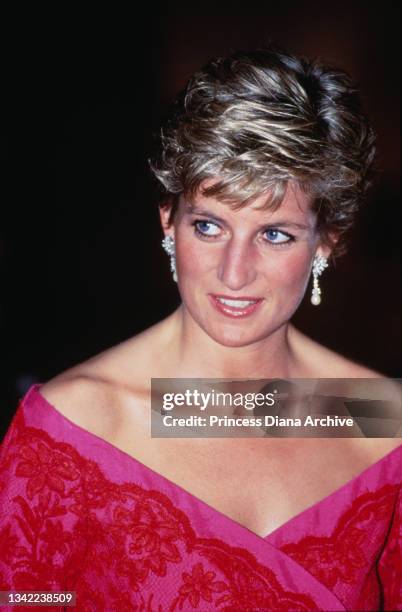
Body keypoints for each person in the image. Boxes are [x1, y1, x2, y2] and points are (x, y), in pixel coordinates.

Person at [0, 45, 400, 611]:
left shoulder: (382, 424)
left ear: (326, 242)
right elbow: (26, 597)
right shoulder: (75, 425)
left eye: (275, 234)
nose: (234, 273)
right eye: (209, 225)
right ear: (168, 221)